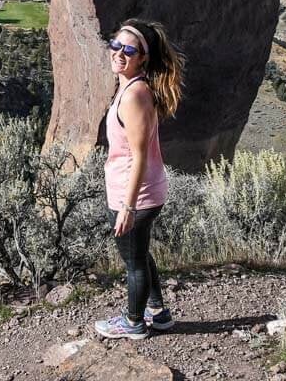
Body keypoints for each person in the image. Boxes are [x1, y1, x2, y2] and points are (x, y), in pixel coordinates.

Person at [94, 18, 185, 340]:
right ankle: (158, 312)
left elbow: (139, 156)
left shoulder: (135, 95)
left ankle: (133, 322)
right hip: (139, 190)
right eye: (115, 45)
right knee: (140, 254)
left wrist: (128, 208)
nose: (119, 53)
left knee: (133, 262)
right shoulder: (133, 88)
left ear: (142, 57)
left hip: (135, 194)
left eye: (128, 50)